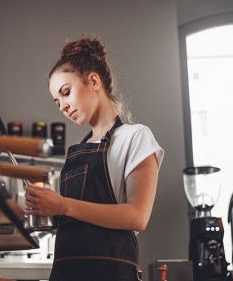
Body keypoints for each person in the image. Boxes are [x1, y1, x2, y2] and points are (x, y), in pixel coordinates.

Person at [24, 35, 164, 281]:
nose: (63, 107)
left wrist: (63, 205)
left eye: (66, 93)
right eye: (57, 102)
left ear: (93, 81)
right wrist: (44, 208)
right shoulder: (77, 151)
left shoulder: (135, 137)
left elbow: (137, 217)